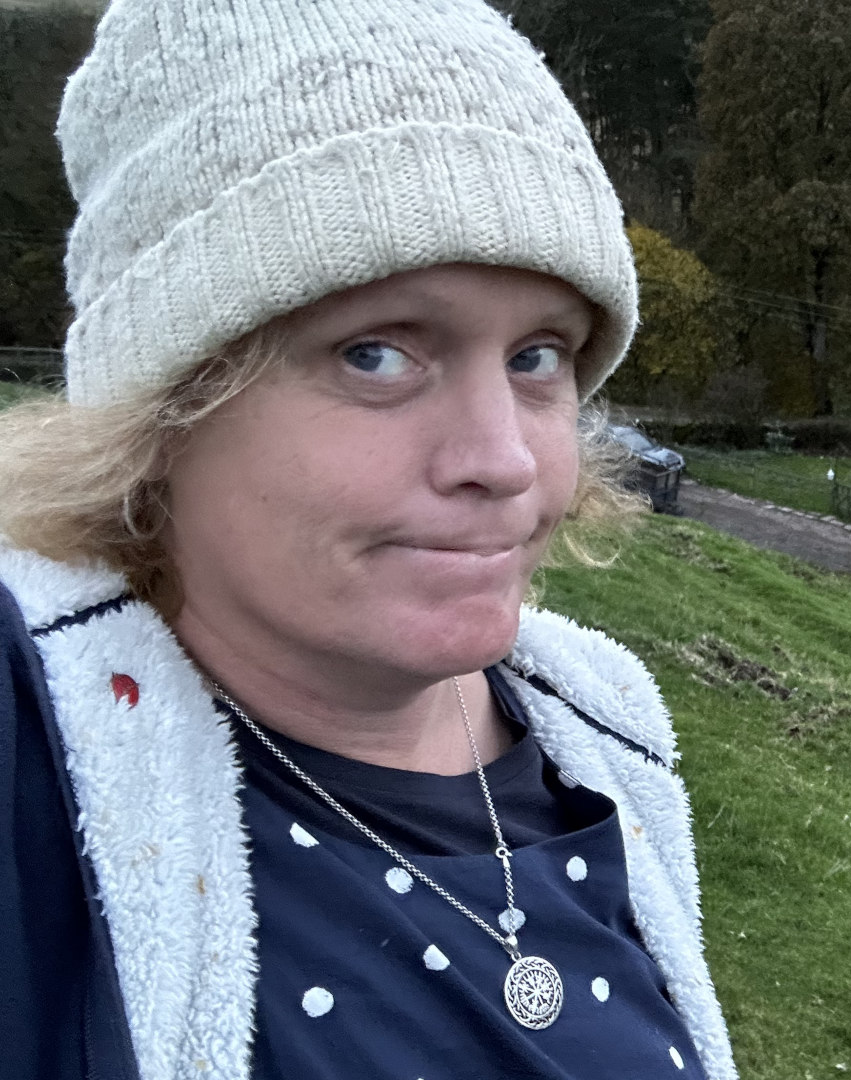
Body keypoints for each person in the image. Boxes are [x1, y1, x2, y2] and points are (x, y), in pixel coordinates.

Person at [0, 2, 736, 1077]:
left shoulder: (601, 729)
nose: (505, 459)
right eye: (377, 355)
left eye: (538, 357)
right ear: (160, 411)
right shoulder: (42, 756)